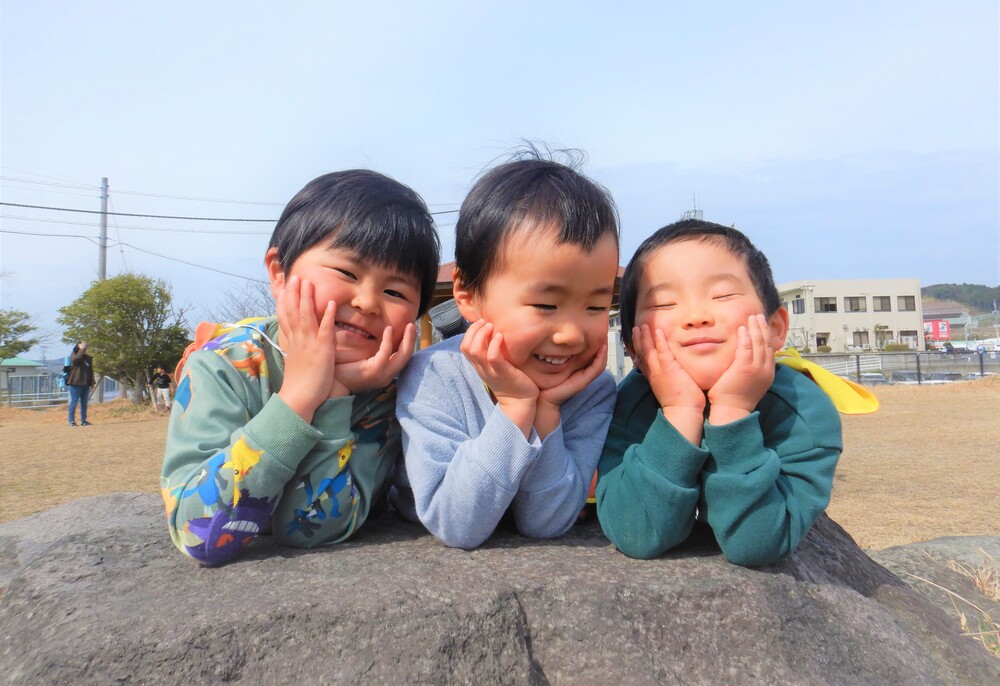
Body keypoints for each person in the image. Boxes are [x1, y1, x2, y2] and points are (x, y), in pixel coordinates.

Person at [160, 170, 440, 566]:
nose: (368, 302)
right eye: (346, 272)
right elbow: (199, 534)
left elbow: (309, 527)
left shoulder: (391, 389)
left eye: (395, 292)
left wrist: (336, 391)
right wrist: (298, 397)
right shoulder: (223, 364)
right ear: (279, 271)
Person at [395, 152, 620, 549]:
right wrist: (516, 407)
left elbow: (546, 521)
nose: (570, 334)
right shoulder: (434, 375)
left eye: (596, 306)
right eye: (545, 305)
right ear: (467, 293)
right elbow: (456, 523)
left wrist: (547, 412)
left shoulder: (592, 391)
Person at [596, 219, 843, 566]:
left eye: (723, 295)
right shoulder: (626, 405)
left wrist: (733, 410)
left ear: (774, 328)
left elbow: (758, 543)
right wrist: (679, 411)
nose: (696, 316)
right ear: (632, 345)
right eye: (665, 303)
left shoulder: (804, 413)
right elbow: (635, 532)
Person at [66, 341, 95, 426]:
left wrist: (92, 382)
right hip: (75, 382)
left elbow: (91, 371)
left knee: (84, 402)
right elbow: (77, 359)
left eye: (85, 346)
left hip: (85, 383)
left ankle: (83, 420)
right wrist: (81, 349)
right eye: (82, 345)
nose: (84, 347)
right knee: (74, 402)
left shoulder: (88, 358)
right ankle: (71, 420)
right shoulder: (73, 355)